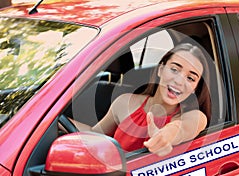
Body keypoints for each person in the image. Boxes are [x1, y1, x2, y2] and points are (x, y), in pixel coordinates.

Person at [74, 43, 211, 157]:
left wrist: (165, 136)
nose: (179, 81)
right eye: (174, 69)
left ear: (195, 88)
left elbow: (180, 129)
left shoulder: (196, 117)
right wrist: (58, 121)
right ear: (160, 70)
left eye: (190, 78)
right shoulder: (124, 102)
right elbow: (94, 135)